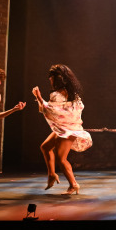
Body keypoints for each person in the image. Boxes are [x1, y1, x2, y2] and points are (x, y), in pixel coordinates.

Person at [32, 64, 92, 195]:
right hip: (68, 128)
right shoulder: (73, 93)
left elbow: (51, 111)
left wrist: (38, 97)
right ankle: (52, 174)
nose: (50, 81)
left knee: (61, 158)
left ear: (55, 79)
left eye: (51, 79)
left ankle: (73, 185)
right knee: (45, 147)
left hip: (68, 130)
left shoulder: (57, 95)